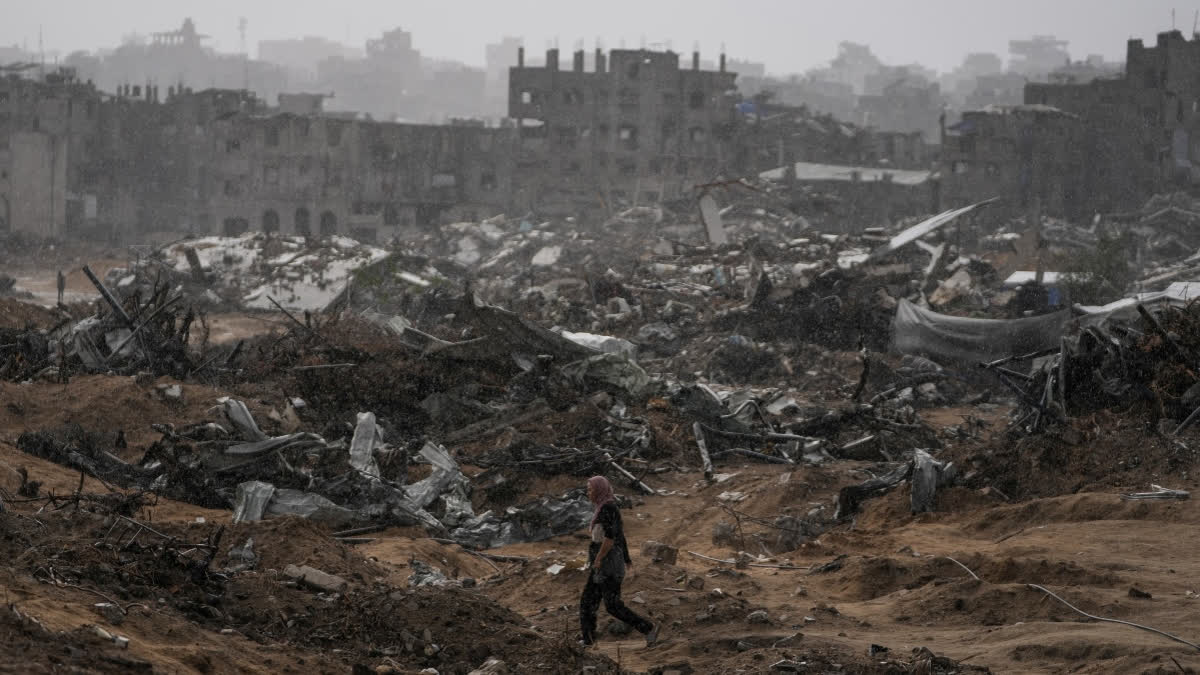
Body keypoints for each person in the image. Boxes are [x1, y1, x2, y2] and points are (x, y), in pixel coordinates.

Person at [579, 475, 658, 648]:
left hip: (608, 564)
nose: (588, 492)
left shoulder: (608, 508)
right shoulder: (603, 507)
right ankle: (588, 639)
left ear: (599, 490)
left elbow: (610, 538)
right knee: (588, 602)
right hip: (603, 562)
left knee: (612, 605)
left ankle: (648, 628)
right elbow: (620, 535)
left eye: (590, 489)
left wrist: (599, 559)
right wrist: (626, 558)